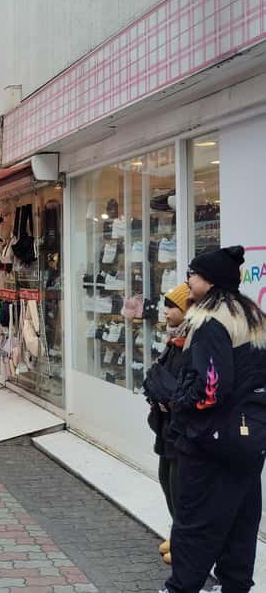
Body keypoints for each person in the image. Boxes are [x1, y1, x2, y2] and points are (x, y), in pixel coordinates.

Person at [161, 246, 266, 593]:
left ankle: (180, 589)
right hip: (249, 441)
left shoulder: (209, 319)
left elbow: (210, 389)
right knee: (241, 524)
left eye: (193, 273)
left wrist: (177, 400)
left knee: (195, 526)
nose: (188, 279)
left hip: (209, 442)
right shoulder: (252, 315)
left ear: (210, 280)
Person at [142, 282, 191, 566]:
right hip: (165, 423)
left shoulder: (192, 342)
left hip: (179, 424)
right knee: (165, 476)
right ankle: (178, 532)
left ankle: (185, 541)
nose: (166, 312)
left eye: (173, 307)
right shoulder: (174, 340)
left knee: (178, 483)